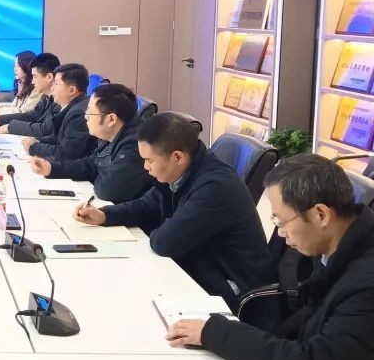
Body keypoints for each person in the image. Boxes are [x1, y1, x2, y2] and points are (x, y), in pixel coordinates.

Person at [167, 154, 374, 360]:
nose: (281, 233)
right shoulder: (353, 236)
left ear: (321, 214)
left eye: (282, 222)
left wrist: (216, 333)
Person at [76, 112, 273, 311]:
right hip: (197, 267)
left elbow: (165, 242)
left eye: (149, 160)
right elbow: (146, 205)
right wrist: (105, 215)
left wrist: (159, 225)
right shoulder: (183, 170)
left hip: (231, 291)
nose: (145, 167)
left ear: (177, 157)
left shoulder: (215, 187)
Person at [30, 83, 150, 203]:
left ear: (111, 119)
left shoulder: (135, 146)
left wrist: (95, 173)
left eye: (90, 112)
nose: (85, 117)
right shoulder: (112, 134)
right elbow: (91, 164)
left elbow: (106, 190)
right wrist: (51, 168)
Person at [21, 62, 94, 162]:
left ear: (72, 90)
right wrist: (37, 140)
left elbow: (66, 154)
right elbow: (59, 138)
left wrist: (34, 147)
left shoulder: (78, 114)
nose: (52, 88)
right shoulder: (72, 107)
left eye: (56, 83)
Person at [0, 53, 61, 136]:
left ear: (49, 77)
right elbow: (31, 116)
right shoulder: (46, 97)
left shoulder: (60, 101)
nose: (33, 81)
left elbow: (45, 129)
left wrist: (10, 127)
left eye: (35, 76)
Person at [0, 50, 42, 116]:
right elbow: (15, 106)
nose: (15, 69)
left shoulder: (37, 88)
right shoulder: (24, 85)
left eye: (18, 66)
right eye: (14, 66)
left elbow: (24, 112)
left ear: (27, 66)